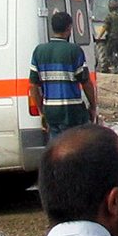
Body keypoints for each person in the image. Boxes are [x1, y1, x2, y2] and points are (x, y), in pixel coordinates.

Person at [29, 11, 97, 140]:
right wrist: (93, 106)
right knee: (75, 148)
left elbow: (33, 85)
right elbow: (86, 82)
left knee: (57, 148)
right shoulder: (74, 50)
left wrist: (41, 110)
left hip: (51, 111)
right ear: (69, 28)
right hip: (73, 111)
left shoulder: (39, 51)